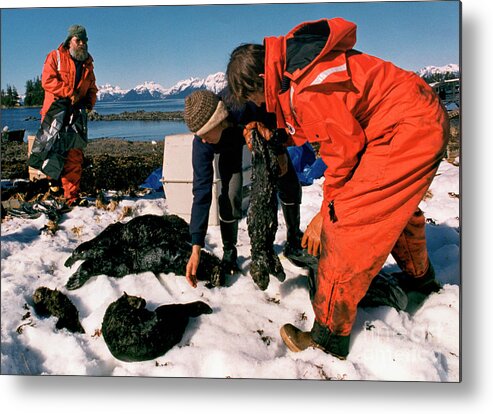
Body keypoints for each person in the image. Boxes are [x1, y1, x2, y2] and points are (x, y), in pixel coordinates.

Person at [226, 17, 449, 359]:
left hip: (407, 130)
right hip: (412, 116)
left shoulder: (306, 88)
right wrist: (281, 135)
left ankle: (328, 335)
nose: (258, 103)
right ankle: (419, 280)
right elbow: (322, 119)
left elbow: (342, 151)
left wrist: (325, 211)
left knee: (346, 226)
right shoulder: (294, 64)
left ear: (260, 79)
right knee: (389, 210)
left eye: (254, 96)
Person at [183, 89, 310, 288]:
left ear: (217, 120)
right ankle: (229, 252)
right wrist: (196, 247)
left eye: (205, 134)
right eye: (199, 136)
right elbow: (201, 192)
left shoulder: (243, 105)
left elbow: (274, 118)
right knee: (230, 194)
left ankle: (294, 239)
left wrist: (279, 150)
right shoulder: (202, 144)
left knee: (290, 184)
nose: (203, 140)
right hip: (228, 149)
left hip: (261, 129)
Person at [40, 24, 98, 206]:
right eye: (78, 40)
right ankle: (53, 184)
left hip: (76, 116)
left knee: (75, 155)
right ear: (69, 41)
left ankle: (72, 196)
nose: (82, 43)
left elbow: (93, 88)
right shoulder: (55, 56)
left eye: (84, 40)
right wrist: (69, 93)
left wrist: (90, 101)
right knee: (52, 150)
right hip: (55, 113)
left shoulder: (88, 64)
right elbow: (47, 81)